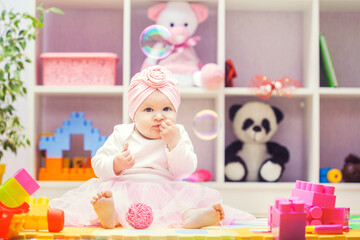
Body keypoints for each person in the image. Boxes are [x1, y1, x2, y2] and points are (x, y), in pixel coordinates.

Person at [50, 66, 254, 229]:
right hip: (124, 186)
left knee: (183, 205)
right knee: (117, 202)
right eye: (148, 109)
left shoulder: (177, 133)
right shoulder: (123, 133)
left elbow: (185, 170)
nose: (159, 116)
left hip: (166, 190)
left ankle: (194, 217)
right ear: (134, 114)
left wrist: (174, 143)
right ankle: (109, 215)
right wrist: (116, 163)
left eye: (167, 108)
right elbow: (98, 165)